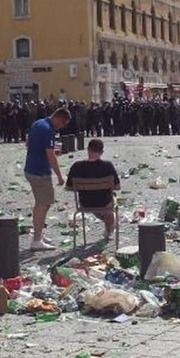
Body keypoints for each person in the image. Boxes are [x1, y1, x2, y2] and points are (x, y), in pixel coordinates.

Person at [24, 107, 70, 251]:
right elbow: (51, 155)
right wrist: (59, 176)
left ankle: (39, 234)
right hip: (39, 171)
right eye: (63, 124)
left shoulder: (38, 123)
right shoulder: (47, 130)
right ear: (59, 119)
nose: (61, 127)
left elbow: (28, 144)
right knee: (43, 205)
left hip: (31, 167)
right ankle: (37, 240)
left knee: (41, 204)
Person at [65, 138, 121, 240]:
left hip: (85, 203)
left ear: (88, 150)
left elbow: (68, 187)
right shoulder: (107, 165)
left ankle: (108, 224)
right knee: (112, 203)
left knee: (101, 205)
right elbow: (117, 186)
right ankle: (109, 228)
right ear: (102, 152)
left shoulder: (77, 166)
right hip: (104, 202)